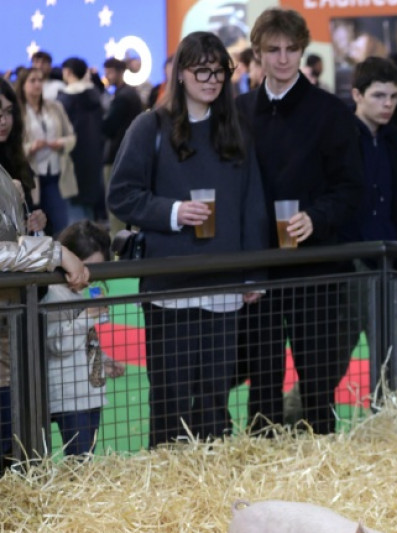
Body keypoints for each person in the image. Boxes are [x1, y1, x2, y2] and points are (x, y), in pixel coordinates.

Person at [107, 31, 269, 447]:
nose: (211, 80)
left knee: (216, 396)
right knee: (170, 396)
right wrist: (174, 212)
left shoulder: (235, 129)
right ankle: (167, 470)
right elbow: (121, 194)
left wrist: (254, 272)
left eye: (218, 71)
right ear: (180, 73)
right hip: (170, 284)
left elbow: (252, 204)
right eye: (202, 71)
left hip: (224, 284)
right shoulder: (150, 126)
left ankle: (213, 469)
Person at [235, 8, 363, 435]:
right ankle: (260, 455)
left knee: (318, 379)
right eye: (273, 50)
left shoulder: (331, 112)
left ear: (303, 50)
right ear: (258, 52)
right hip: (258, 268)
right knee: (261, 378)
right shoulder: (238, 112)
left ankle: (320, 454)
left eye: (291, 49)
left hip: (316, 267)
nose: (283, 58)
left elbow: (351, 187)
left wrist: (316, 217)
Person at [1, 77, 89, 470]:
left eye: (7, 112)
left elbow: (10, 238)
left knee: (21, 452)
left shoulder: (9, 167)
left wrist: (28, 224)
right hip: (8, 334)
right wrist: (56, 251)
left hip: (16, 330)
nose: (3, 120)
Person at [340, 57, 397, 362]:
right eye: (379, 95)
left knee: (393, 350)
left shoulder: (393, 138)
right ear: (357, 95)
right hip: (351, 256)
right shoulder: (340, 137)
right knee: (335, 356)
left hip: (386, 254)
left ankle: (389, 392)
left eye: (393, 96)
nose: (388, 104)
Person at [42, 220, 126, 456]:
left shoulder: (79, 292)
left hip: (90, 392)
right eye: (85, 268)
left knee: (86, 456)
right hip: (69, 396)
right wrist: (87, 317)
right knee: (79, 459)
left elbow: (83, 342)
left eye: (96, 269)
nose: (89, 277)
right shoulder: (53, 294)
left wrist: (104, 360)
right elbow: (58, 344)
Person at [16, 67, 78, 237]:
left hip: (54, 173)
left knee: (60, 227)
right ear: (22, 85)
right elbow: (13, 146)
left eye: (40, 80)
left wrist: (59, 143)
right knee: (32, 229)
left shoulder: (54, 107)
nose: (37, 84)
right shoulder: (18, 112)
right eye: (32, 81)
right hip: (31, 176)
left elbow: (71, 137)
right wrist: (31, 147)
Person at [58, 57, 106, 225]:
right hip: (94, 155)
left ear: (68, 72)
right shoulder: (95, 94)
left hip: (72, 157)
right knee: (89, 209)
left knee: (74, 210)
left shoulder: (65, 99)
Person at [102, 57, 144, 235]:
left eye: (110, 72)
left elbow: (108, 127)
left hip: (117, 156)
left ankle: (118, 249)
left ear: (120, 72)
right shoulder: (131, 94)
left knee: (116, 210)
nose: (107, 76)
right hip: (130, 155)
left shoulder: (122, 97)